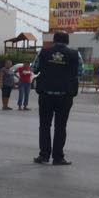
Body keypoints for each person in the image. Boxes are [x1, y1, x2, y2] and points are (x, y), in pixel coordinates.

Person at [32, 31, 82, 166]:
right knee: (61, 127)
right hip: (65, 95)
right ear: (67, 41)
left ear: (54, 40)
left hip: (46, 94)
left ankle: (44, 155)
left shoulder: (43, 52)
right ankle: (58, 157)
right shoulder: (75, 54)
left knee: (44, 126)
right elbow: (80, 72)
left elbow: (34, 69)